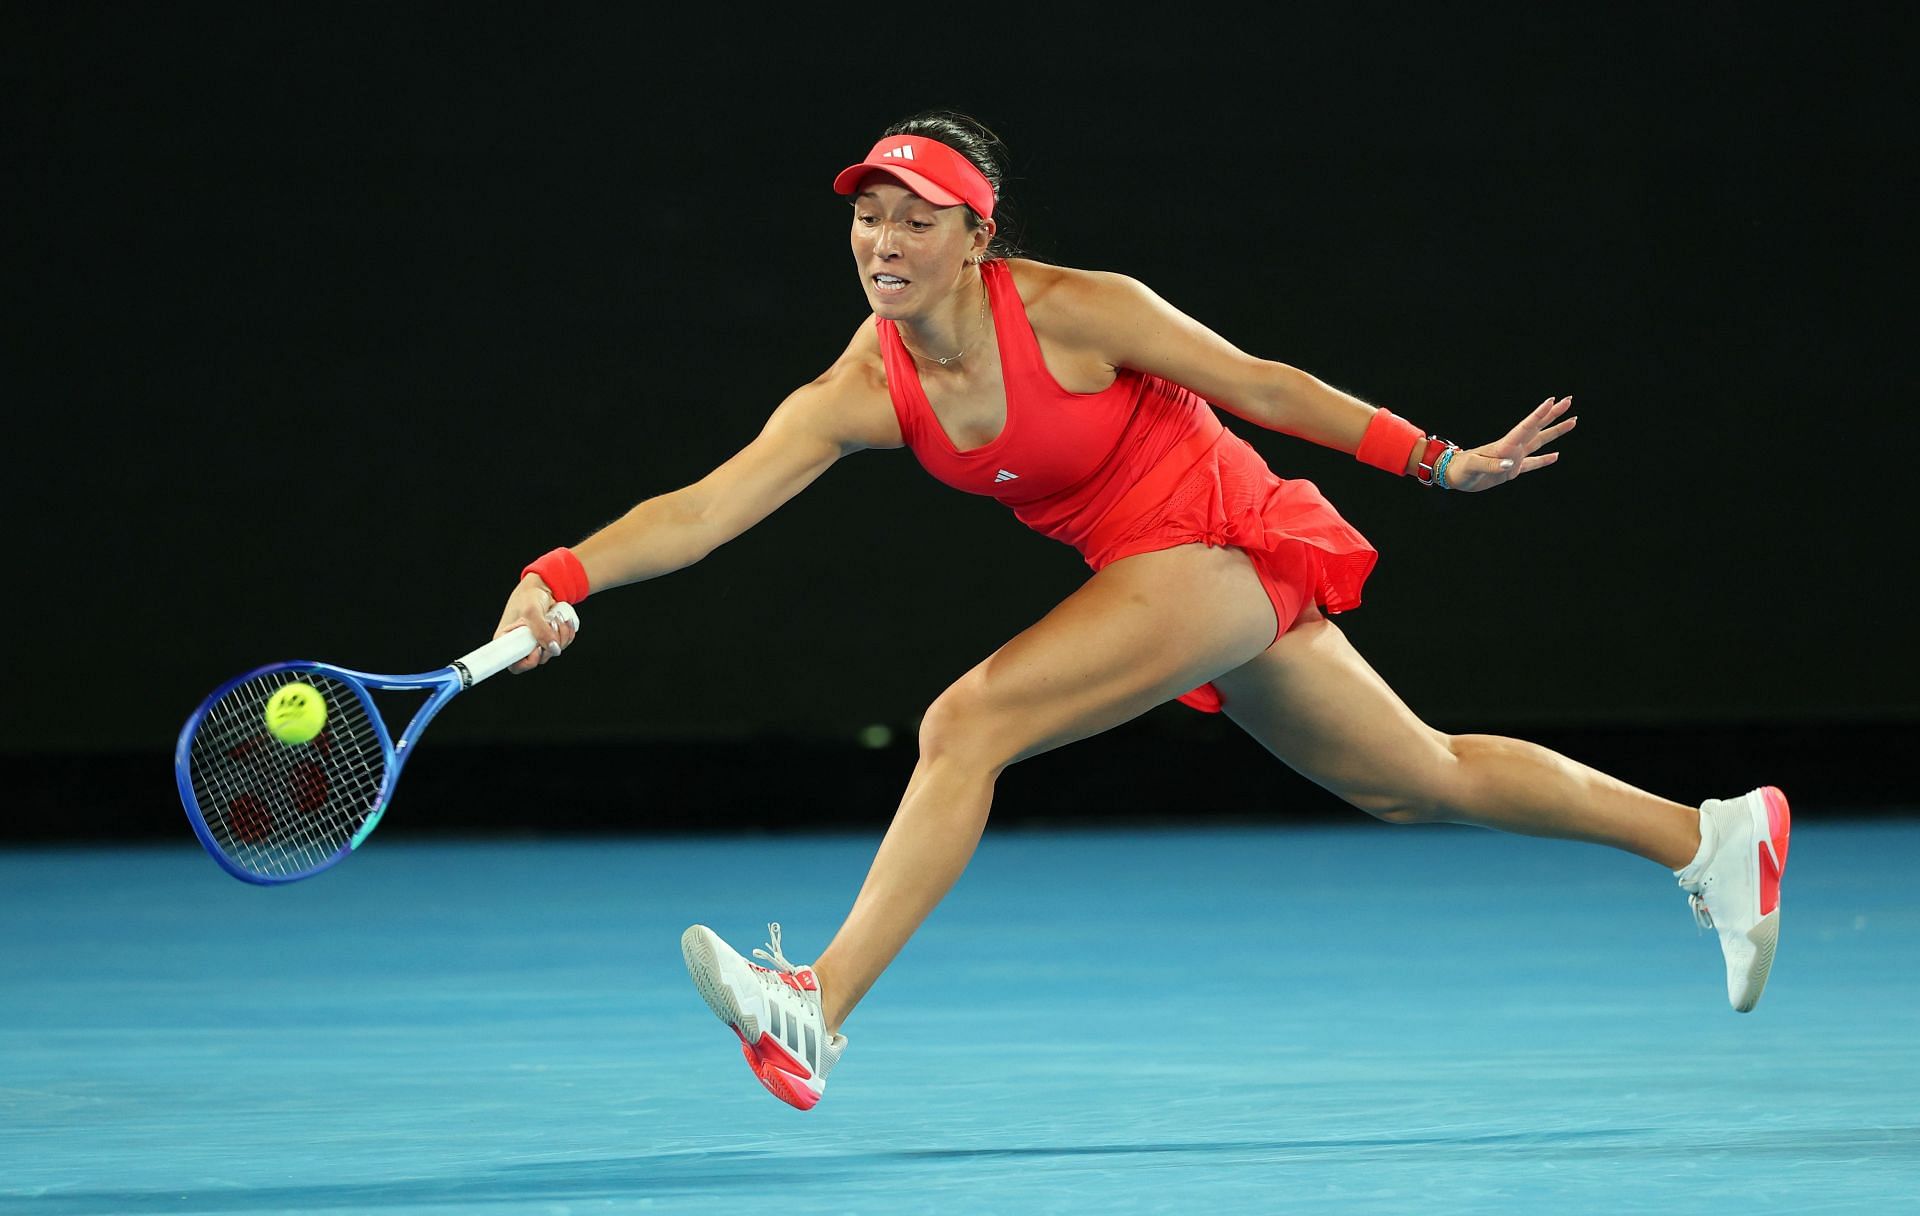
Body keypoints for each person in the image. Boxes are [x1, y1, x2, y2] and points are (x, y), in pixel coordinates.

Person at [494, 111, 1790, 1111]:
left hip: (1220, 542)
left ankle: (817, 1005)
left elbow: (1260, 384)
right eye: (870, 217)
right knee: (1420, 778)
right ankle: (1710, 839)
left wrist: (1436, 458)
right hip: (1178, 579)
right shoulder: (862, 384)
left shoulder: (1075, 311)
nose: (885, 243)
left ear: (979, 237)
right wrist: (563, 576)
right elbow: (704, 509)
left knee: (967, 724)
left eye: (919, 220)